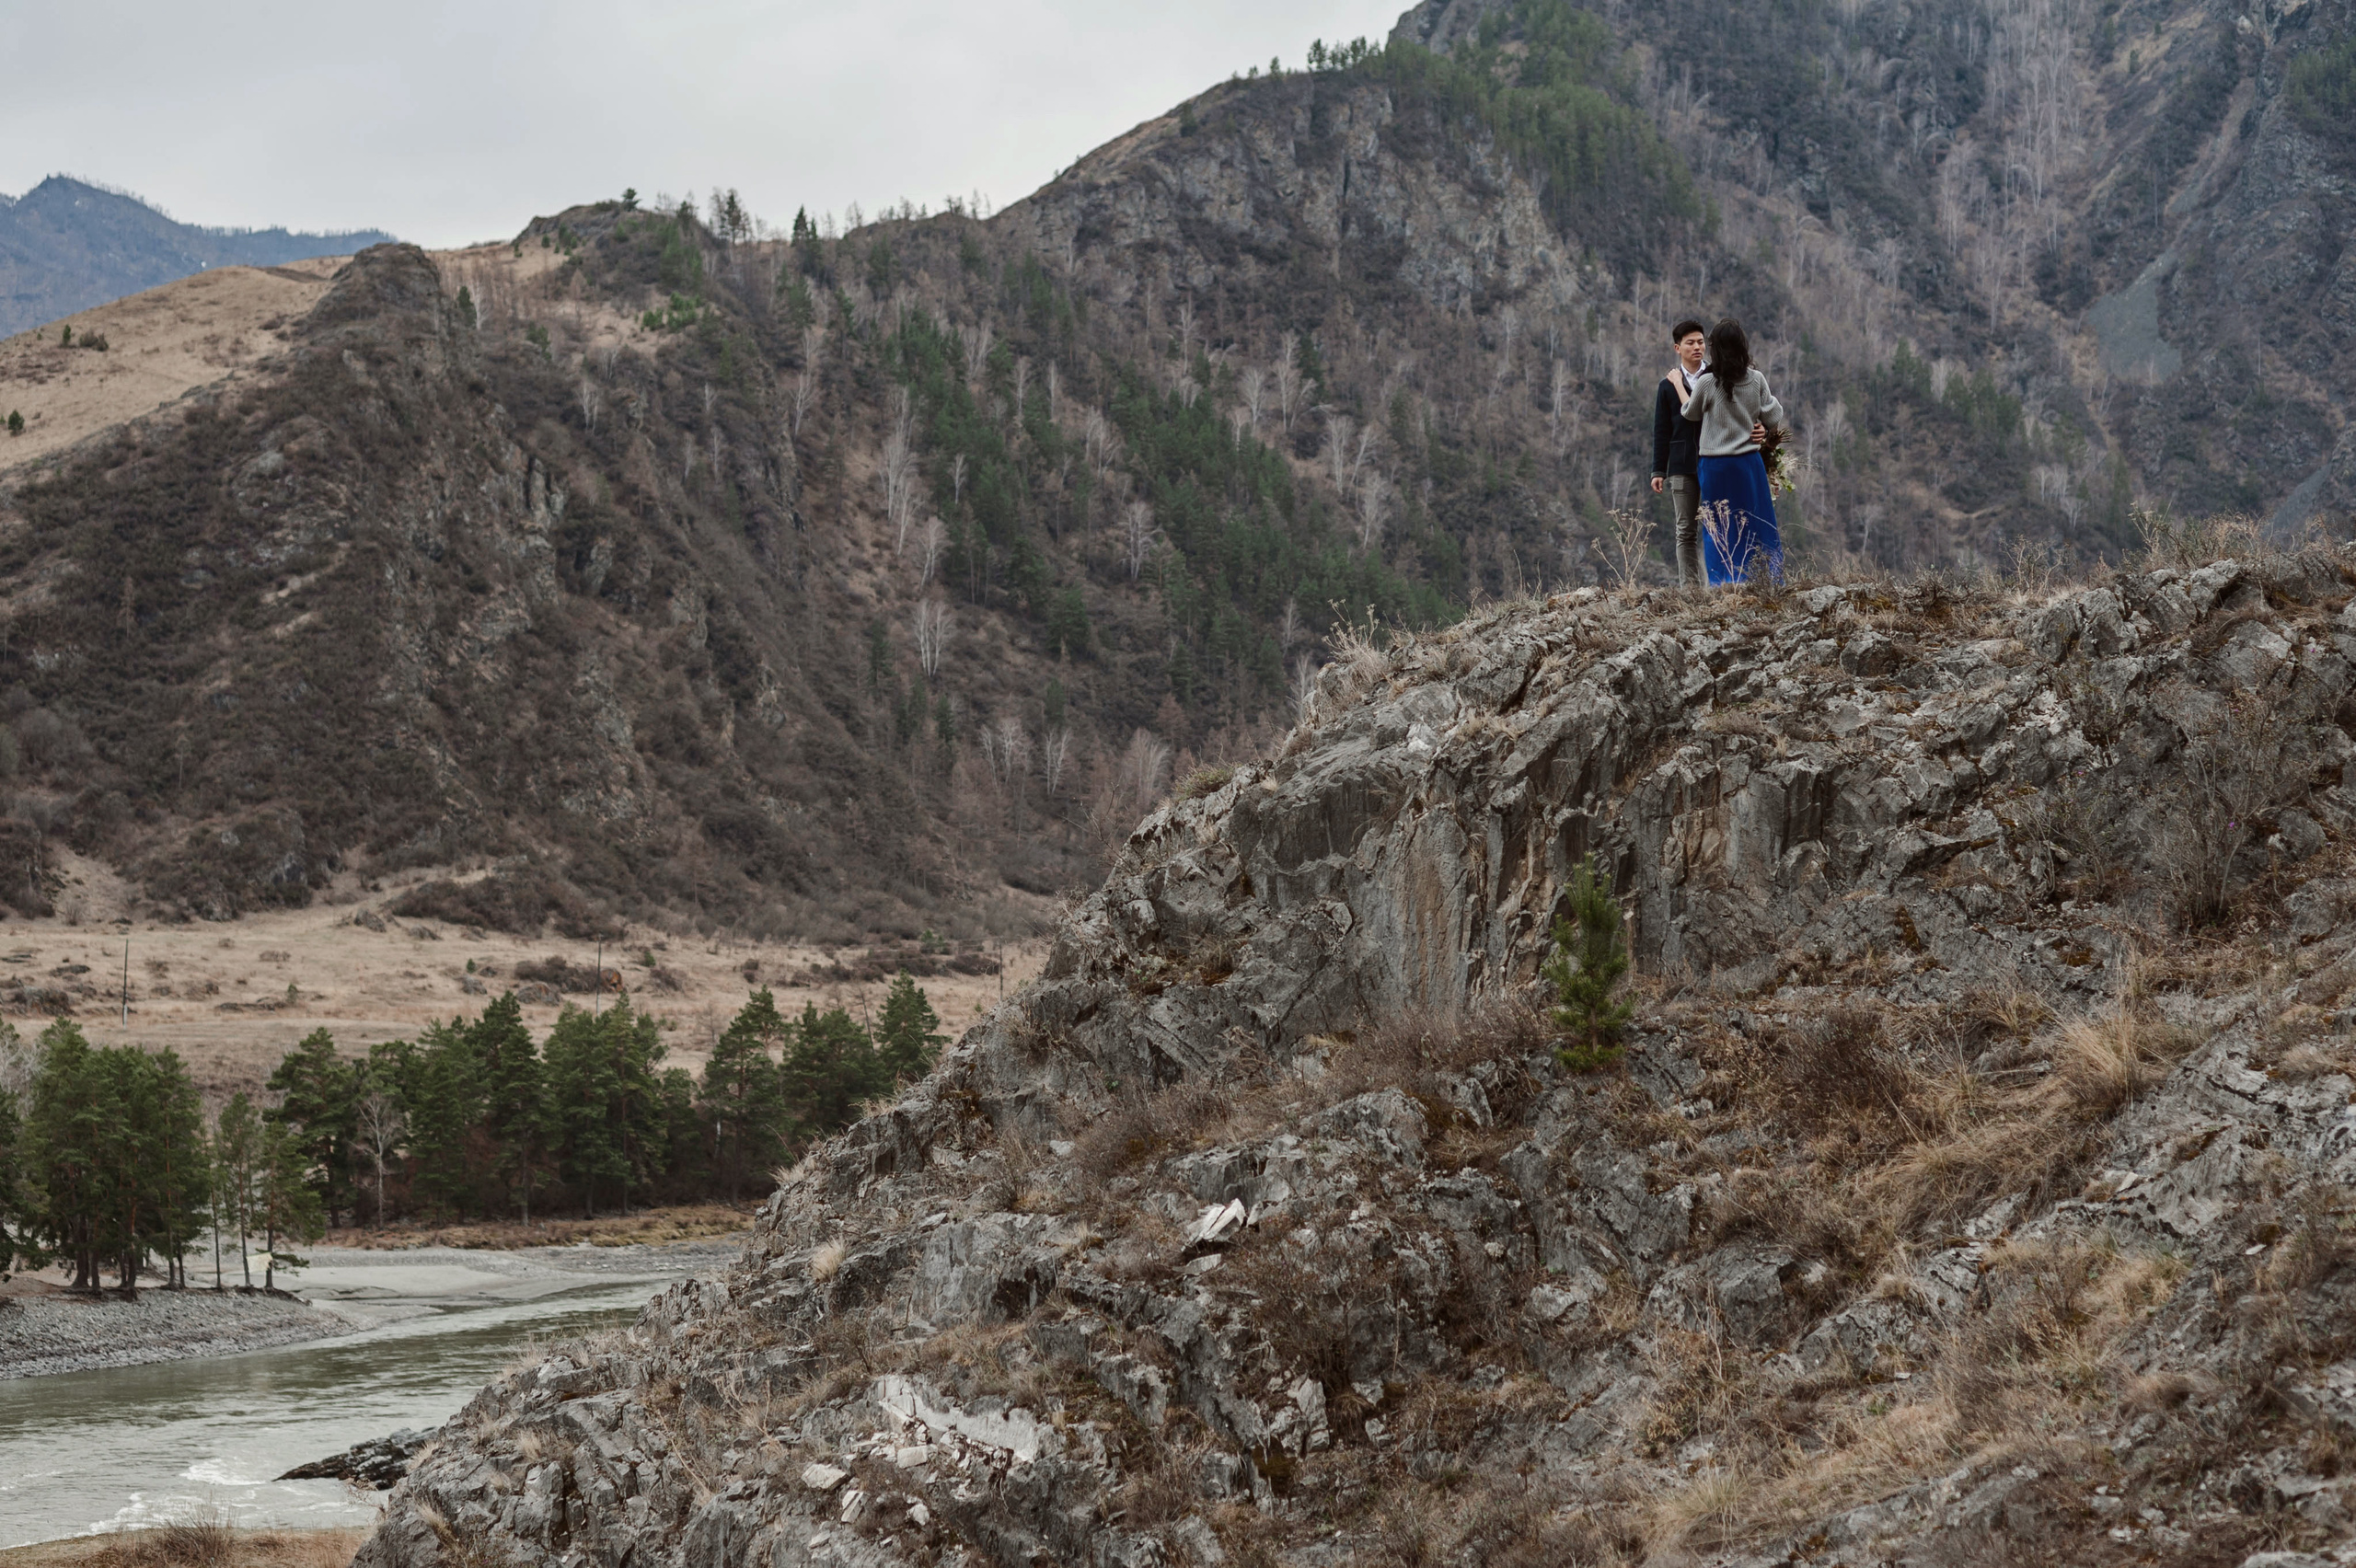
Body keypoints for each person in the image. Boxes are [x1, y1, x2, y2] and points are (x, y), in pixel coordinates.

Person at [1680, 318, 1788, 586]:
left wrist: (1677, 386)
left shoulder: (1707, 382)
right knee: (1757, 521)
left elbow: (1690, 413)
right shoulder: (1756, 380)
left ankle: (1724, 580)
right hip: (1748, 464)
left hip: (1714, 466)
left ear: (1715, 349)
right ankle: (1767, 577)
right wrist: (1761, 426)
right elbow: (1773, 415)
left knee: (1718, 525)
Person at [1650, 320, 1708, 586]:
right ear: (1678, 348)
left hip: (1715, 459)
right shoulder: (1666, 386)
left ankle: (1722, 584)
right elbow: (1661, 429)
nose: (1697, 347)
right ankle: (1691, 590)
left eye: (1701, 342)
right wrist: (1658, 470)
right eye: (1690, 343)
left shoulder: (1715, 378)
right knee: (1685, 530)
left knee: (1719, 524)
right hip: (1681, 464)